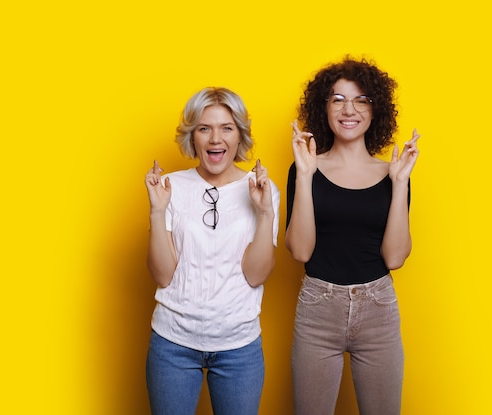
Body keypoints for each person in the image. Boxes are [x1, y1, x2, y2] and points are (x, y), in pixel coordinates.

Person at [285, 56, 420, 415]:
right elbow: (300, 250)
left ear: (376, 111)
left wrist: (401, 183)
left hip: (378, 309)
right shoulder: (305, 168)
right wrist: (304, 174)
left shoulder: (394, 173)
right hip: (318, 309)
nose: (350, 109)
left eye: (361, 100)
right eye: (338, 99)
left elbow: (394, 258)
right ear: (324, 107)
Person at [144, 87, 280, 415]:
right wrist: (157, 211)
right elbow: (163, 274)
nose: (215, 139)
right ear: (193, 136)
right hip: (172, 343)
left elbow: (256, 274)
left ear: (239, 136)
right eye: (205, 128)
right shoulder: (170, 187)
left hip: (239, 347)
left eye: (226, 128)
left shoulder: (262, 190)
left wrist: (264, 213)